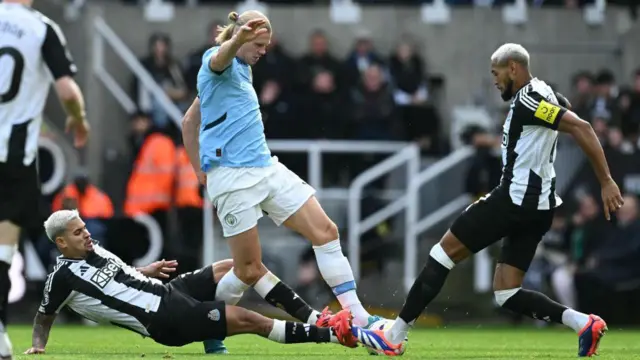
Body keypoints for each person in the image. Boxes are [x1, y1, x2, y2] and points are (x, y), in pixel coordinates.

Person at [359, 43, 625, 357]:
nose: (495, 80)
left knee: (442, 254)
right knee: (507, 292)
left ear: (513, 67)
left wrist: (606, 180)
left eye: (496, 73)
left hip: (513, 201)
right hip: (539, 209)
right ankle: (583, 323)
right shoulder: (548, 94)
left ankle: (395, 335)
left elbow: (582, 127)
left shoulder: (530, 99)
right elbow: (567, 126)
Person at [181, 9, 381, 334]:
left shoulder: (242, 71)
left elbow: (189, 121)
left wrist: (197, 170)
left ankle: (359, 317)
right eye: (258, 44)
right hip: (231, 178)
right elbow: (219, 59)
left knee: (326, 231)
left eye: (266, 45)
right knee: (247, 271)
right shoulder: (215, 62)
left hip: (265, 168)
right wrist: (202, 174)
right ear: (240, 37)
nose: (263, 51)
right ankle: (205, 326)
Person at [23, 210, 359, 355]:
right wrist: (39, 343)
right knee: (251, 321)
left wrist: (147, 270)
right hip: (164, 319)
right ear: (62, 243)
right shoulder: (62, 277)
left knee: (238, 265)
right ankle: (329, 334)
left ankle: (317, 317)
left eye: (84, 227)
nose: (87, 234)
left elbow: (119, 274)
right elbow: (44, 314)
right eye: (78, 232)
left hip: (167, 291)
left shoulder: (96, 250)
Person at [0, 1, 89, 358]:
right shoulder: (40, 28)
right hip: (13, 157)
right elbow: (67, 91)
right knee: (3, 250)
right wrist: (79, 120)